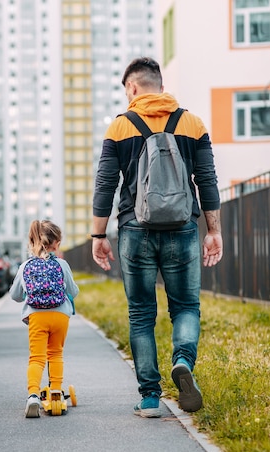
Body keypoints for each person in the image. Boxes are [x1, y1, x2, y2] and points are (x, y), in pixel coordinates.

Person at [91, 57, 223, 418]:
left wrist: (98, 234)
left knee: (140, 315)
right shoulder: (191, 123)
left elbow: (105, 185)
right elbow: (207, 181)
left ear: (131, 88)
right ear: (160, 85)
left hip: (134, 230)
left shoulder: (120, 127)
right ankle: (182, 359)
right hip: (182, 227)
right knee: (185, 306)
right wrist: (213, 230)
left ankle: (150, 398)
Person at [10, 220, 79, 418]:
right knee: (55, 354)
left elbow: (15, 295)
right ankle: (56, 391)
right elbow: (73, 291)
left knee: (37, 357)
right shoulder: (62, 264)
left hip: (36, 316)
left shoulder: (25, 266)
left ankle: (33, 395)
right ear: (55, 242)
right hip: (60, 316)